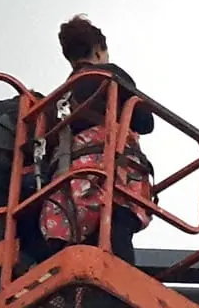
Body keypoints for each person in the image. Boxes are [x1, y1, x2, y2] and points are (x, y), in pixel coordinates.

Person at [37, 15, 156, 265]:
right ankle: (118, 296)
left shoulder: (54, 101)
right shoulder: (109, 76)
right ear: (99, 50)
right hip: (111, 175)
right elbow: (146, 122)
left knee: (81, 247)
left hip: (67, 185)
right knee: (116, 238)